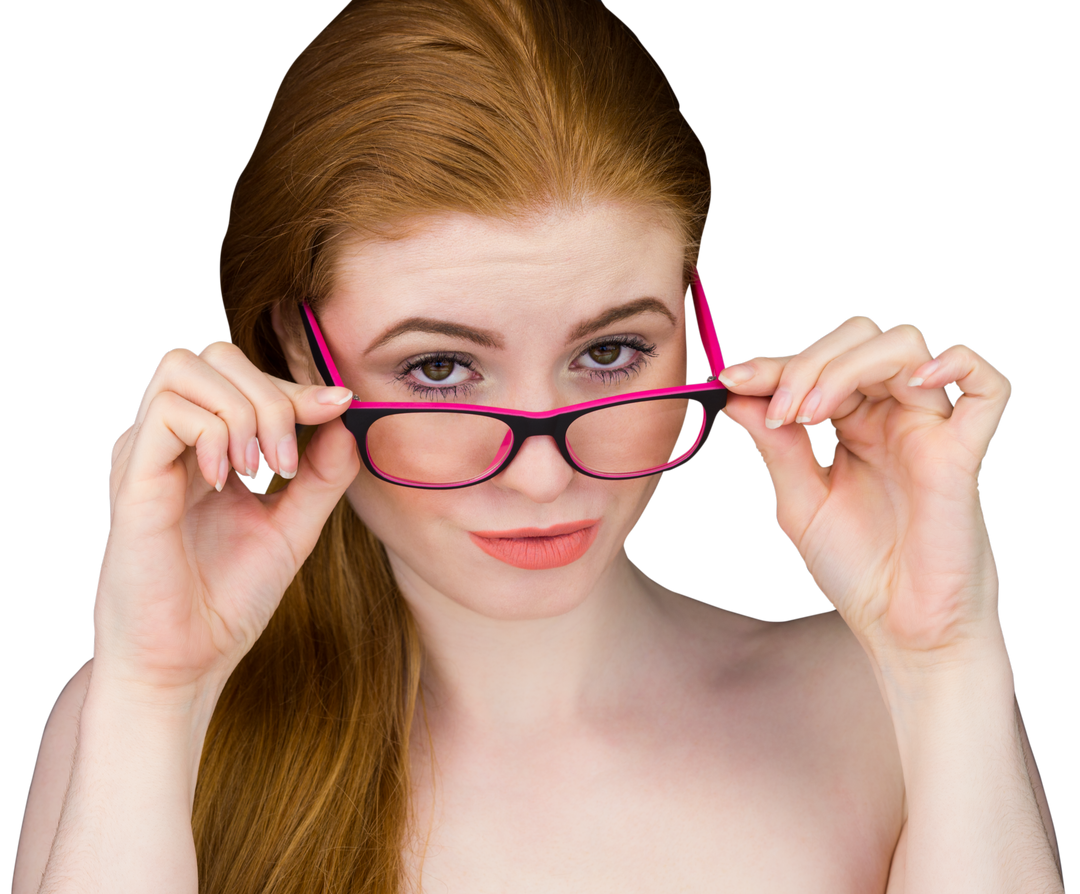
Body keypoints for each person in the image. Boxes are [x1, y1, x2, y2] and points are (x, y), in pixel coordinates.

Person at [13, 1, 1065, 892]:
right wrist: (157, 697)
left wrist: (947, 661)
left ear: (697, 325)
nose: (543, 469)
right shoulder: (142, 719)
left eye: (610, 350)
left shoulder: (877, 712)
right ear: (297, 346)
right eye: (439, 369)